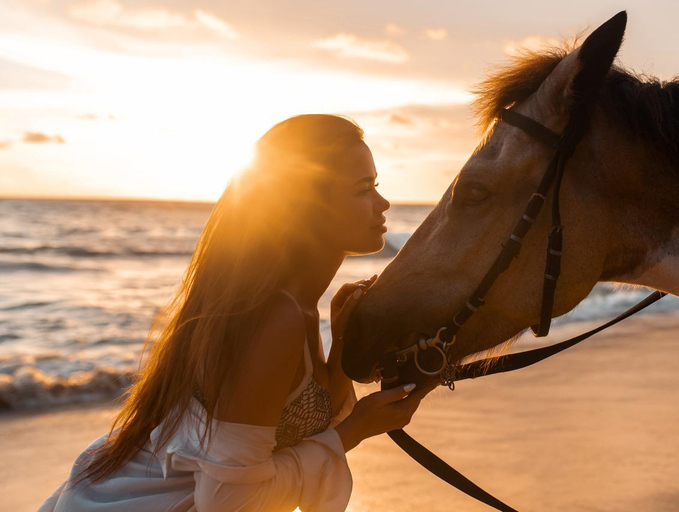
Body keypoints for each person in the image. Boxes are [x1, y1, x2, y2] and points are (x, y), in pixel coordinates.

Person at [40, 114, 435, 512]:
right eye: (364, 189)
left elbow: (302, 426)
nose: (382, 203)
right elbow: (229, 502)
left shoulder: (294, 306)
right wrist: (356, 430)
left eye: (376, 186)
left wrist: (343, 343)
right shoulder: (273, 317)